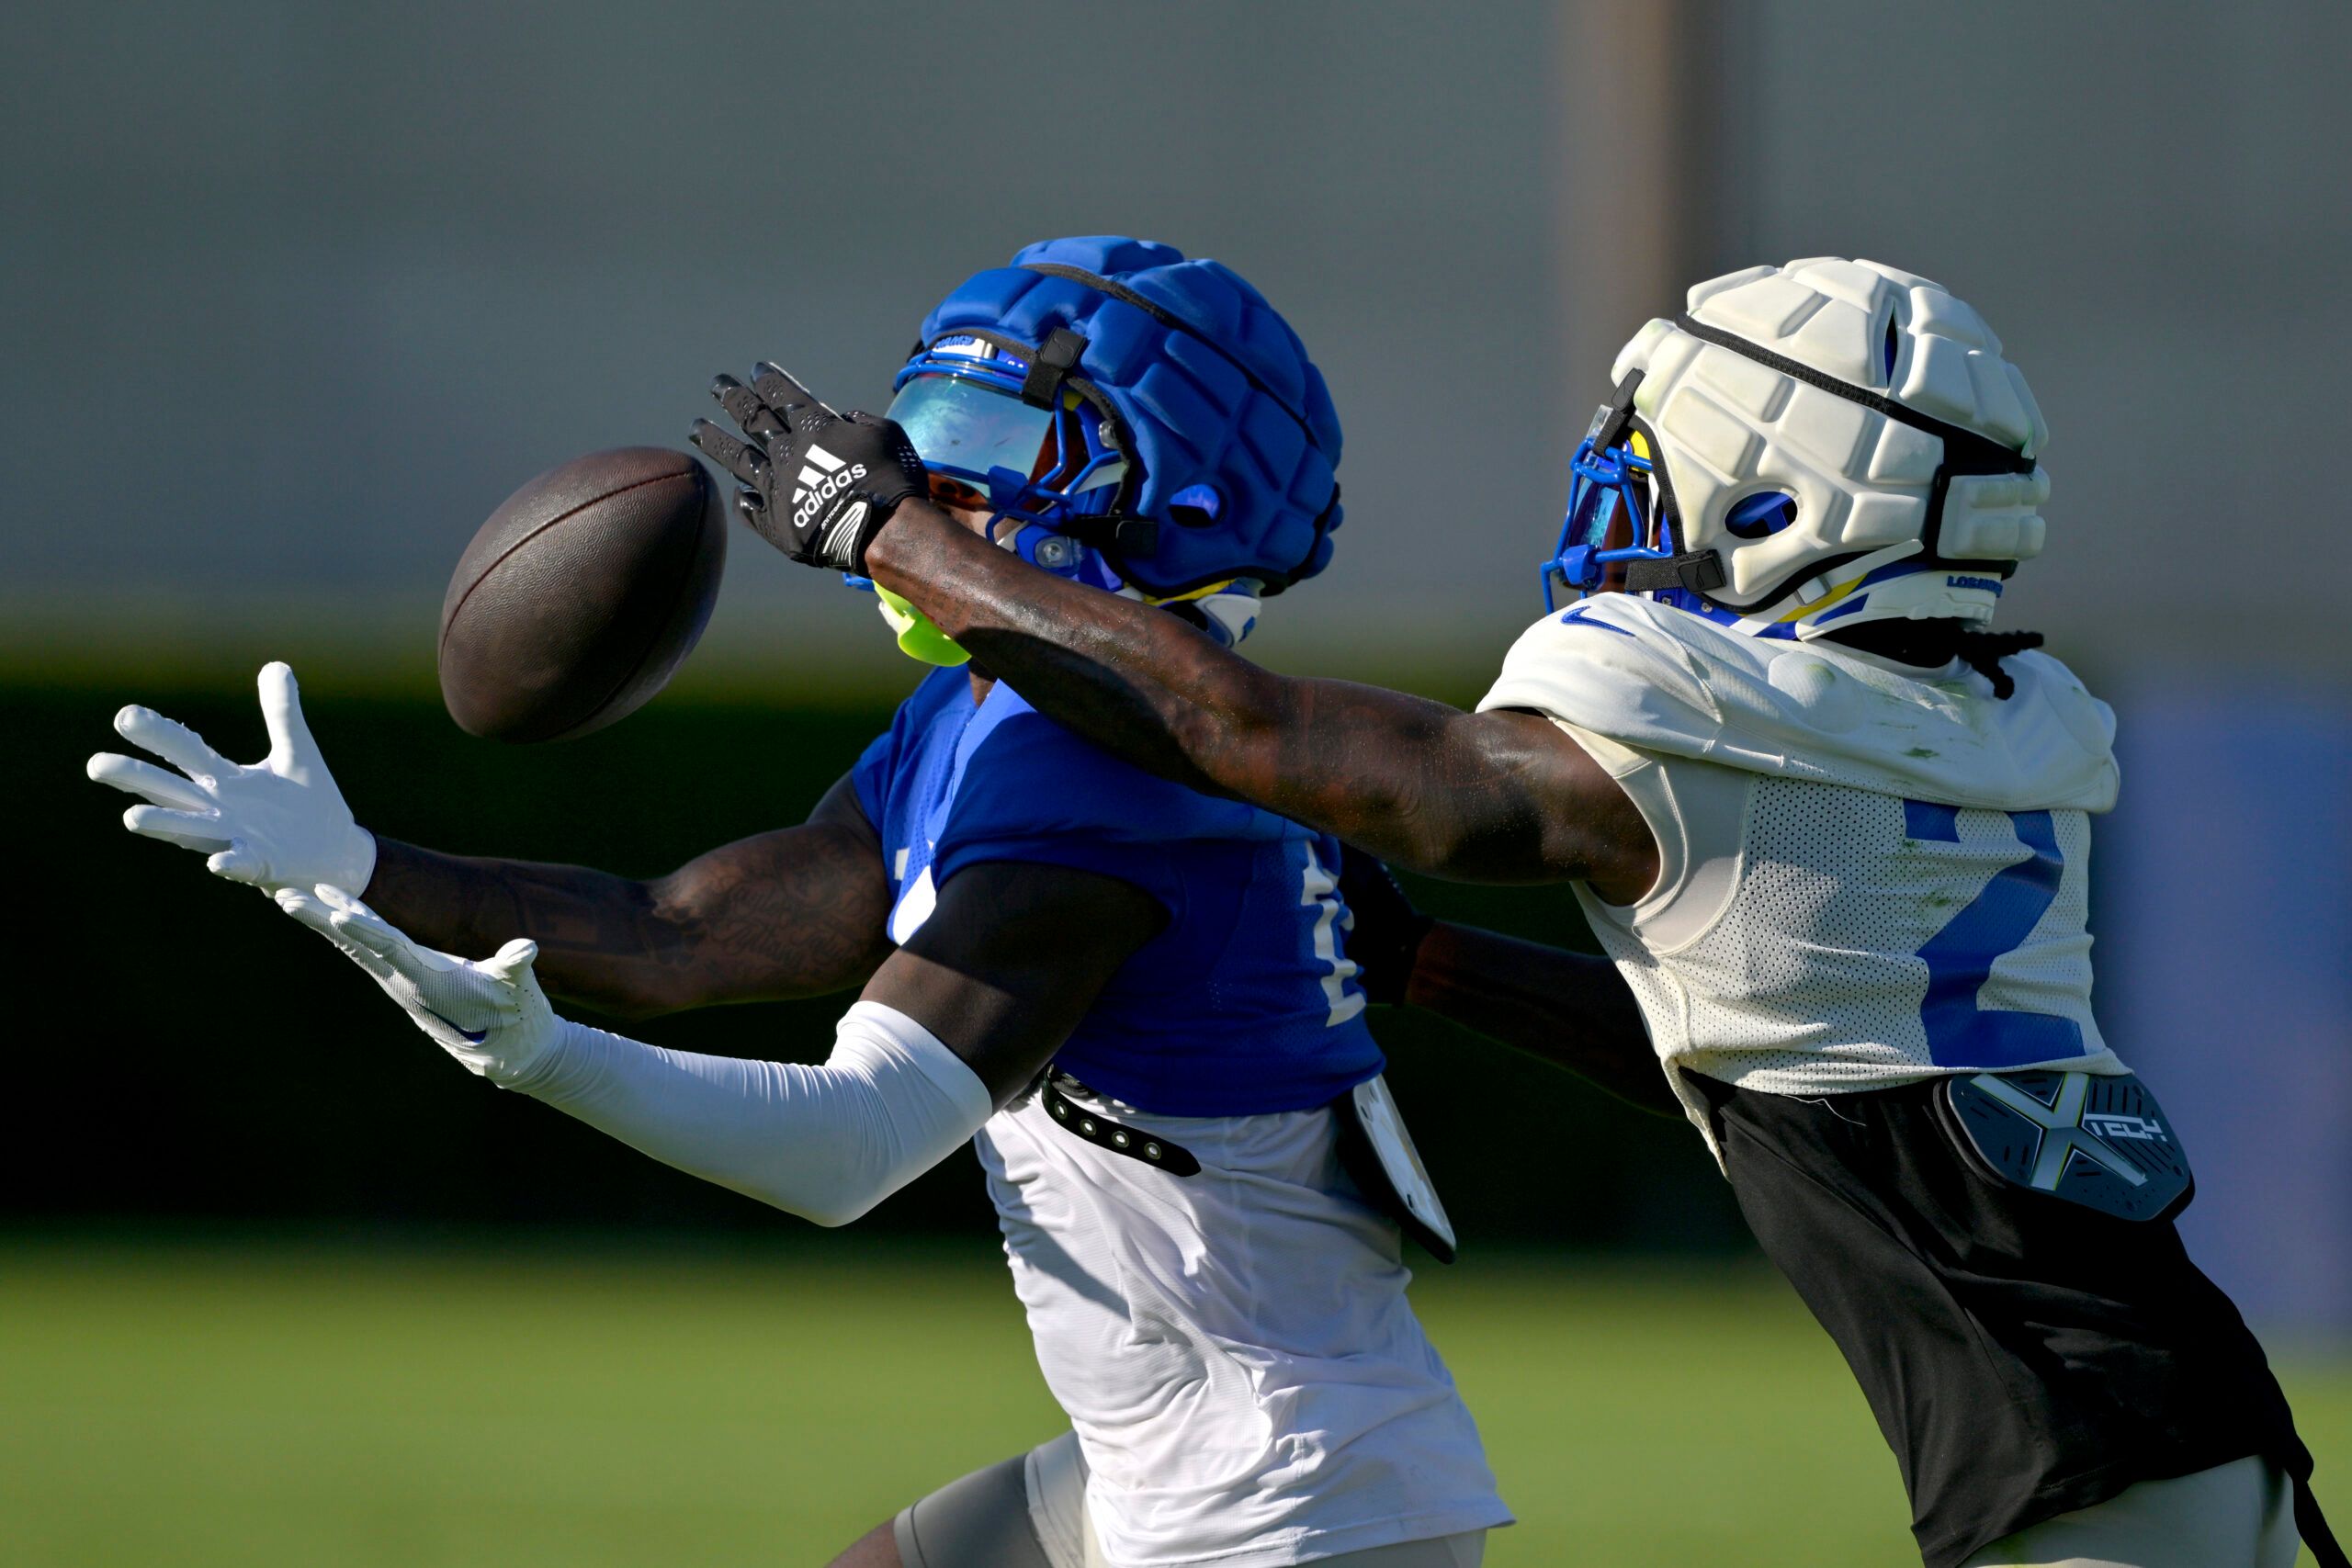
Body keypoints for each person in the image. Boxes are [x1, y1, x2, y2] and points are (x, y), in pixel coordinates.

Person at [717, 254, 2343, 1568]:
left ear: (1784, 503)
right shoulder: (1993, 735)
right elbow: (1733, 1071)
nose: (1624, 495)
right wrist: (1421, 957)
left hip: (2075, 1487)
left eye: (1670, 463)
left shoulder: (1710, 723)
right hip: (2179, 1436)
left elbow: (1253, 732)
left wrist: (897, 533)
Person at [88, 238, 1564, 1568]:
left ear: (1171, 499)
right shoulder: (1001, 723)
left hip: (1283, 1507)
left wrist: (541, 1057)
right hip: (1173, 1465)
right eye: (928, 433)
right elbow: (681, 931)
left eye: (994, 448)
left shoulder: (1115, 788)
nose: (916, 489)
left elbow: (848, 1145)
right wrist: (361, 865)